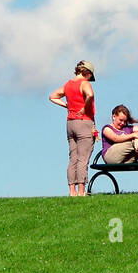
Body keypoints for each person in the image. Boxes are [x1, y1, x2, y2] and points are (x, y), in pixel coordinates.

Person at [48, 60, 96, 196]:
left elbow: (52, 97)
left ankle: (72, 191)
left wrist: (67, 106)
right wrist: (84, 107)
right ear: (88, 73)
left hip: (70, 123)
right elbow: (90, 95)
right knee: (83, 158)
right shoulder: (84, 83)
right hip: (84, 122)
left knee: (73, 158)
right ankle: (81, 191)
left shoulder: (68, 85)